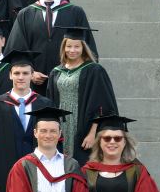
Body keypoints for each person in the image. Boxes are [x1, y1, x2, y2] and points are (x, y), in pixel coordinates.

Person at [6, 0, 95, 94]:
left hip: (67, 83)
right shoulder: (26, 14)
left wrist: (74, 72)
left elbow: (88, 49)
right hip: (34, 85)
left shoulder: (75, 12)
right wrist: (31, 72)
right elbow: (16, 49)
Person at [0, 50, 53, 192]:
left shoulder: (45, 105)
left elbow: (55, 143)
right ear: (10, 75)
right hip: (4, 174)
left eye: (25, 73)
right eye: (17, 73)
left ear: (32, 75)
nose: (21, 77)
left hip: (40, 173)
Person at [47, 27, 118, 165]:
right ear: (63, 47)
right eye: (69, 46)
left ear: (83, 48)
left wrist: (93, 134)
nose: (72, 50)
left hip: (83, 123)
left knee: (81, 164)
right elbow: (51, 101)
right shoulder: (56, 71)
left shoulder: (94, 70)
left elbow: (101, 104)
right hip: (61, 122)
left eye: (77, 46)